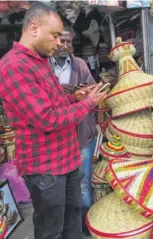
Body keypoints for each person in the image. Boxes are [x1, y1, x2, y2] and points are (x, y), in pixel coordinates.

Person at [0, 3, 108, 239]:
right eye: (56, 35)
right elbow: (46, 118)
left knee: (71, 222)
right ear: (34, 28)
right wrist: (88, 104)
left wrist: (72, 98)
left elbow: (52, 103)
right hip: (46, 169)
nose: (60, 42)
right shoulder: (13, 66)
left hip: (66, 160)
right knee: (51, 230)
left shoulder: (39, 61)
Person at [49, 24, 97, 235]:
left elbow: (93, 91)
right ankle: (69, 226)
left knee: (83, 183)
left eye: (69, 41)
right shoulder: (44, 67)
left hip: (80, 135)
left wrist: (86, 92)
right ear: (55, 40)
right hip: (55, 138)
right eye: (62, 40)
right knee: (60, 186)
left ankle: (84, 224)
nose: (65, 45)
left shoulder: (79, 65)